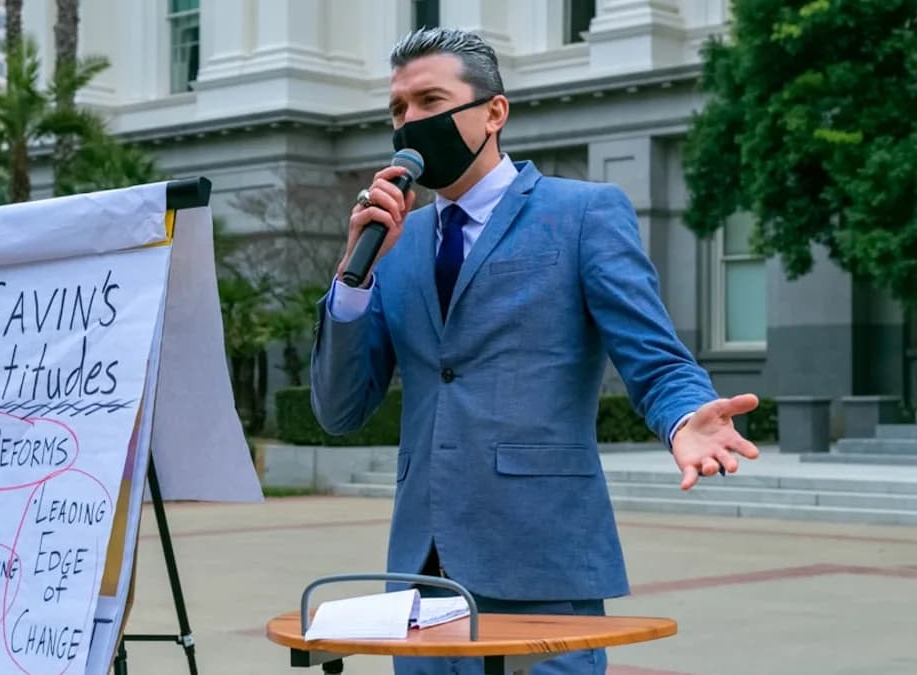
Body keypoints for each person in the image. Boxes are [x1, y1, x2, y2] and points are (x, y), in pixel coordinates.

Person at [308, 27, 761, 675]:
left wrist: (687, 417)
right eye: (398, 110)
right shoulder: (396, 243)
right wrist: (353, 285)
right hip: (421, 577)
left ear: (493, 112)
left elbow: (655, 359)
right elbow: (338, 411)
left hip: (542, 564)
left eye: (430, 101)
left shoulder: (583, 213)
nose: (410, 122)